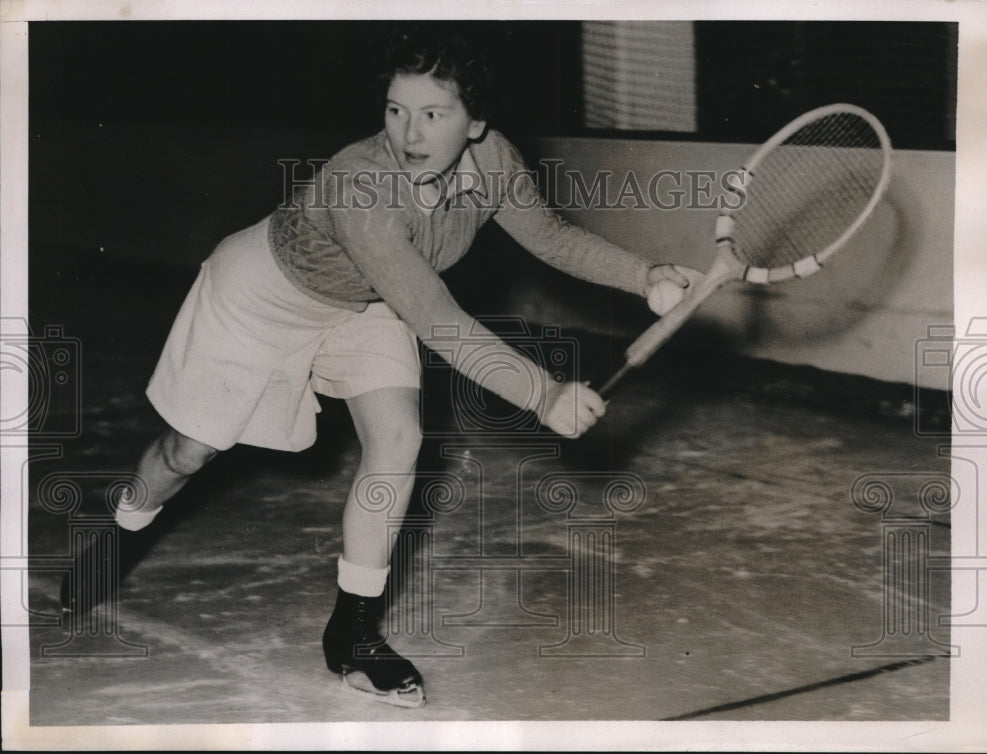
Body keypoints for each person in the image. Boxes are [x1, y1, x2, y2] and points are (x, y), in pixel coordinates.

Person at [62, 25, 691, 709]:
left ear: (476, 123)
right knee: (189, 453)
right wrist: (541, 395)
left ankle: (353, 634)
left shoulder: (495, 161)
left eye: (433, 113)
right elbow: (437, 319)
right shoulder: (361, 183)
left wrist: (644, 272)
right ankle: (122, 530)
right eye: (396, 110)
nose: (409, 133)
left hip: (366, 307)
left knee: (398, 438)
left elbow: (548, 235)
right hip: (261, 298)